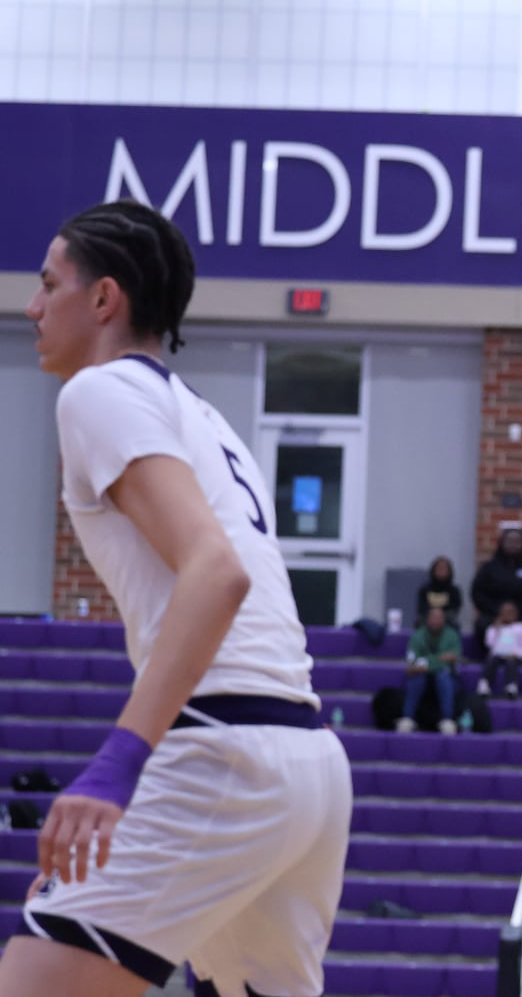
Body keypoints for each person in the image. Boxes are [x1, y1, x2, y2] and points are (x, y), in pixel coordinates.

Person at [0, 201, 352, 997]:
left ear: (103, 300)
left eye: (48, 283)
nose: (31, 305)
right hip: (307, 759)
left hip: (224, 751)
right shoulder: (202, 415)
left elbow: (214, 572)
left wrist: (116, 766)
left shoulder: (99, 392)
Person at [469, 526, 522, 659]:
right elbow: (477, 593)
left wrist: (516, 613)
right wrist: (498, 611)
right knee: (482, 624)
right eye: (509, 541)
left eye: (517, 541)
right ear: (502, 543)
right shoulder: (489, 568)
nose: (513, 545)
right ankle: (489, 657)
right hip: (493, 612)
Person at [399, 606, 461, 734]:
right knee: (417, 678)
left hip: (445, 679)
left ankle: (447, 720)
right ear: (427, 619)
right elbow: (410, 668)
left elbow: (453, 658)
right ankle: (407, 719)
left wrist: (427, 662)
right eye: (433, 617)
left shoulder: (452, 635)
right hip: (421, 678)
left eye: (439, 618)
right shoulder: (417, 636)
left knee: (443, 677)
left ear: (444, 620)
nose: (435, 621)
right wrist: (439, 660)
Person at [478, 600, 522, 698]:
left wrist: (514, 654)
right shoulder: (494, 628)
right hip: (498, 655)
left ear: (516, 614)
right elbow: (489, 644)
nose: (507, 615)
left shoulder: (521, 628)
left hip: (515, 656)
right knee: (490, 659)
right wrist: (496, 630)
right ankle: (484, 685)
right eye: (504, 612)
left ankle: (511, 687)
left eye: (510, 612)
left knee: (511, 662)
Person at [415, 555, 463, 629]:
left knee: (455, 624)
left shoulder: (454, 590)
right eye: (439, 569)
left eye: (444, 569)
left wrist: (441, 616)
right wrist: (432, 616)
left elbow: (455, 609)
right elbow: (421, 608)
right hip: (428, 619)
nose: (441, 571)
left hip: (447, 620)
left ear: (449, 571)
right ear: (433, 570)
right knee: (418, 622)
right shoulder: (424, 589)